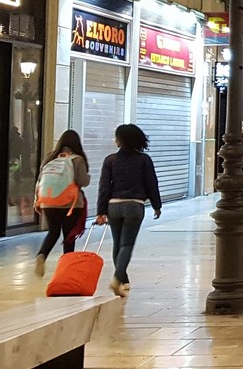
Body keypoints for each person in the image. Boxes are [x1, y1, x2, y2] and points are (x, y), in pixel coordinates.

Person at [95, 124, 161, 297]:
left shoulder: (110, 160)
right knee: (126, 244)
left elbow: (104, 187)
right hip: (134, 205)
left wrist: (101, 211)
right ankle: (117, 278)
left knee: (118, 244)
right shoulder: (143, 160)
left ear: (121, 140)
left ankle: (124, 281)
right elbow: (151, 183)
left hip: (114, 206)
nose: (114, 140)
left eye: (116, 137)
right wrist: (156, 205)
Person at [33, 129, 90, 276]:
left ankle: (42, 255)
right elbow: (82, 181)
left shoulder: (50, 158)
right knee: (68, 237)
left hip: (48, 202)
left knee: (53, 232)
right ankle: (66, 270)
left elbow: (40, 180)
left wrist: (37, 200)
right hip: (70, 203)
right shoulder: (78, 159)